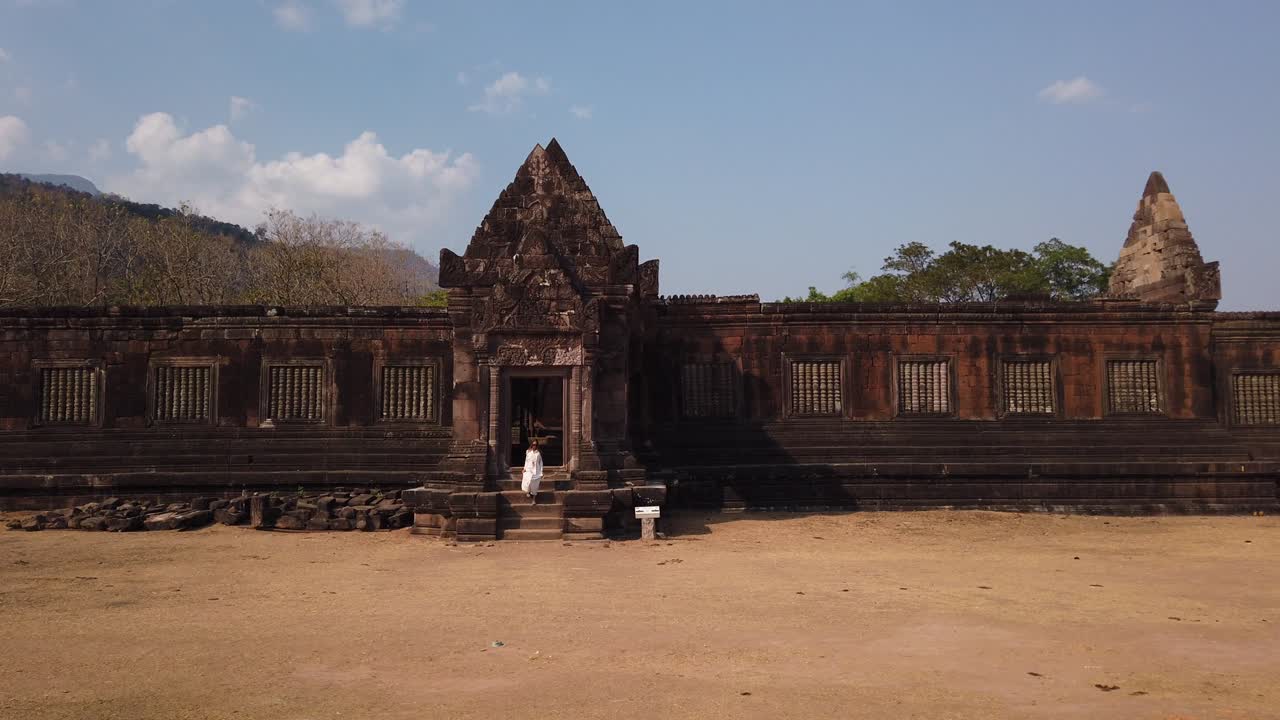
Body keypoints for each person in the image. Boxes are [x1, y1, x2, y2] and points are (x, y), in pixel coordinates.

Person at [521, 439, 544, 504]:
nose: (534, 446)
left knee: (535, 486)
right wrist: (524, 468)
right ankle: (528, 491)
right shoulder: (528, 452)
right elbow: (526, 461)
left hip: (536, 471)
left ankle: (534, 499)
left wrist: (541, 471)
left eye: (536, 445)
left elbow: (541, 463)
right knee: (527, 481)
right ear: (531, 445)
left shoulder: (538, 453)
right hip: (529, 470)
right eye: (533, 444)